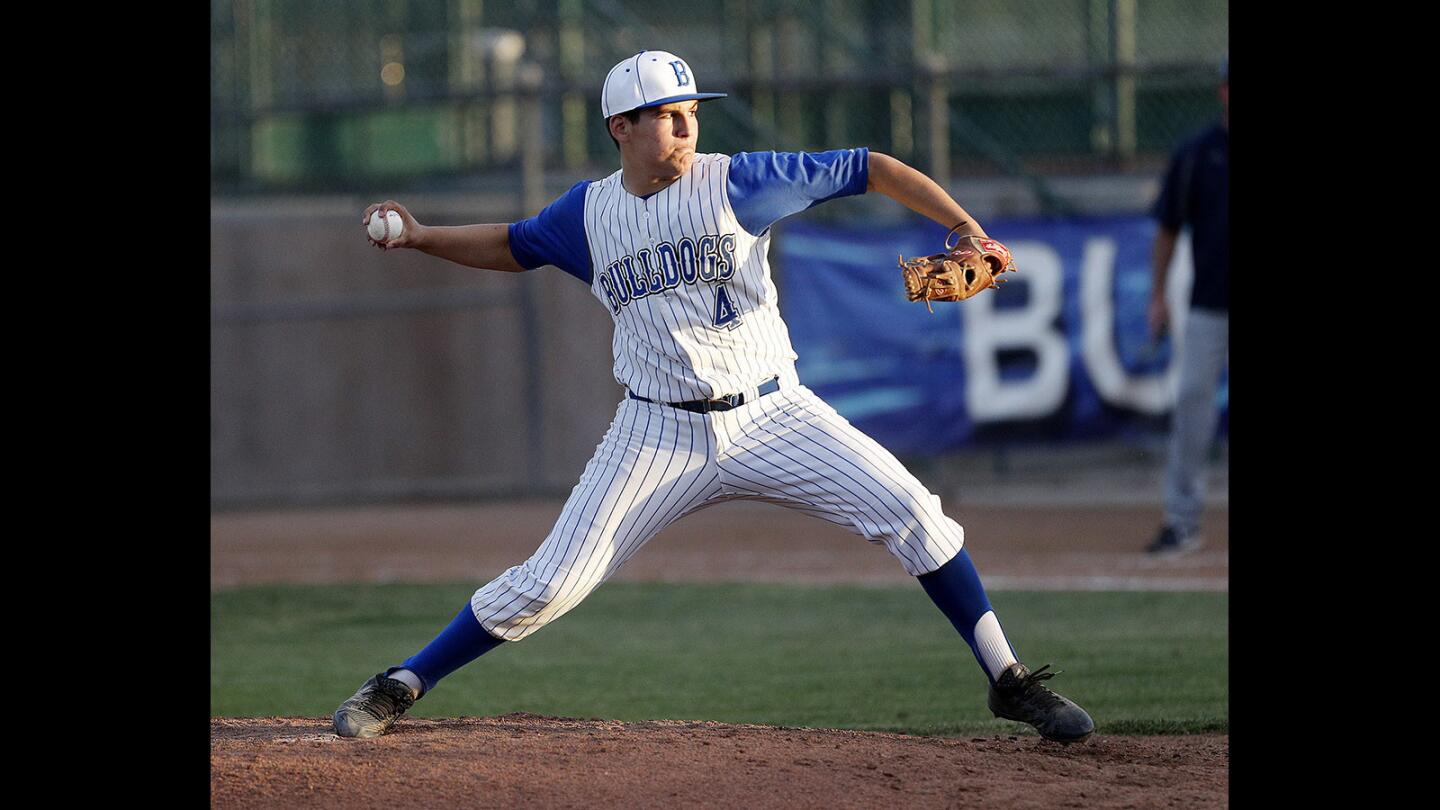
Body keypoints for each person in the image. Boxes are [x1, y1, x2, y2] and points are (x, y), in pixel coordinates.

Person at [333, 50, 1094, 743]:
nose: (685, 125)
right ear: (620, 127)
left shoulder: (739, 181)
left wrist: (966, 228)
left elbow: (873, 166)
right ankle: (402, 681)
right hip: (655, 432)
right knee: (549, 582)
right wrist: (422, 235)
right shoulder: (587, 216)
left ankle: (1008, 680)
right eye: (667, 114)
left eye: (691, 110)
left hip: (774, 414)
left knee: (916, 516)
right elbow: (515, 243)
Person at [1145, 55, 1229, 555]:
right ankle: (1181, 519)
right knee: (1193, 407)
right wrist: (1158, 294)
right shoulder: (1198, 154)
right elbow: (1169, 227)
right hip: (1209, 306)